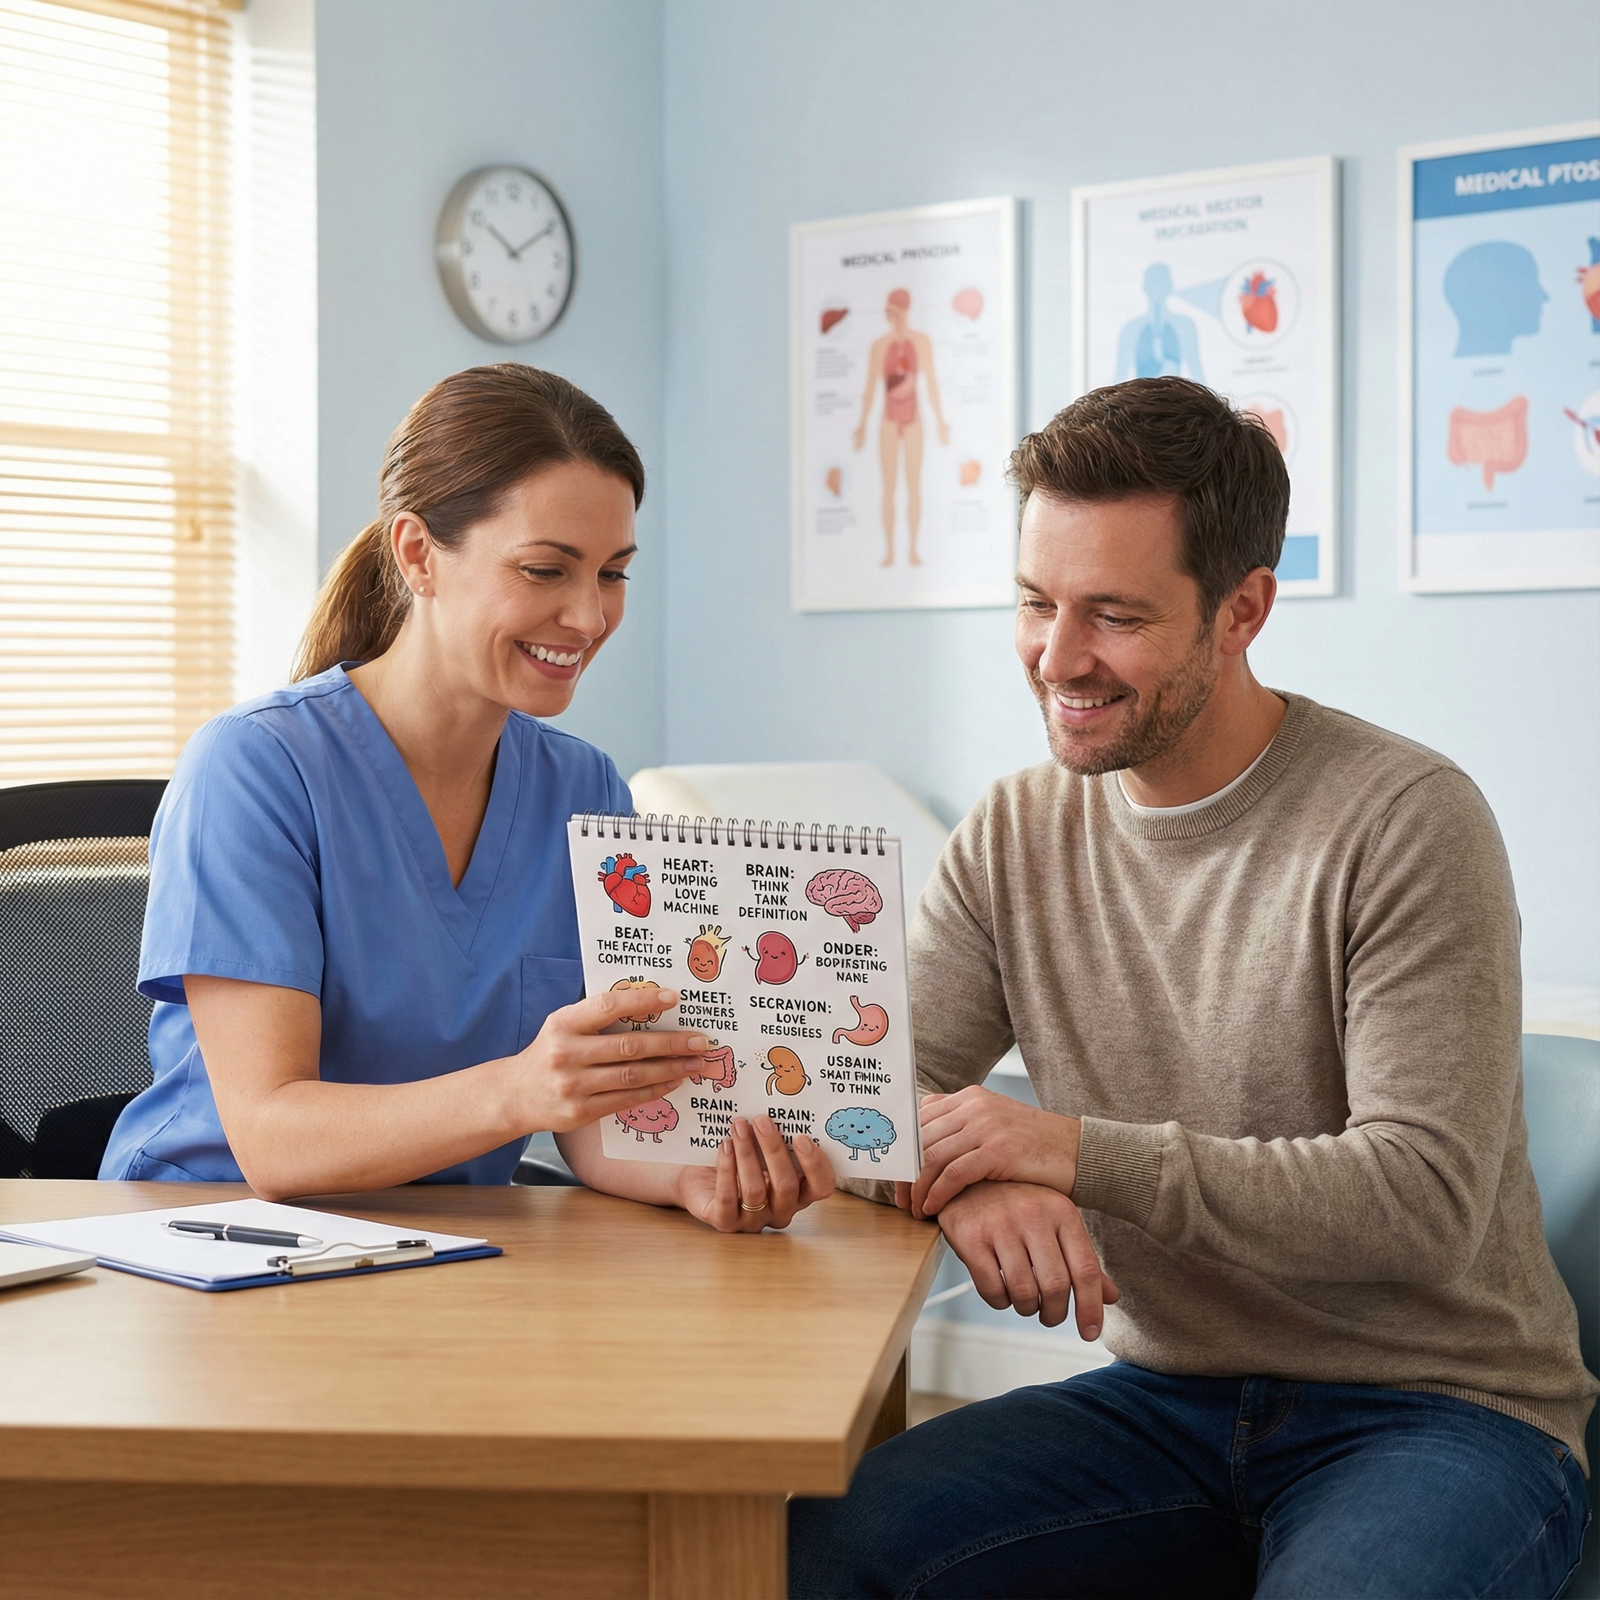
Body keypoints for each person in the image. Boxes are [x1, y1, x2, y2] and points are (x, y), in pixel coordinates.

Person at [791, 376, 1596, 1598]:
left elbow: (1417, 1197)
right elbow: (864, 1087)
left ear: (1242, 610)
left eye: (1111, 614)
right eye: (1033, 602)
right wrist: (954, 1186)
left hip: (1441, 1410)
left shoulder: (1403, 820)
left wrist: (1066, 1150)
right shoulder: (1012, 834)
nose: (1057, 657)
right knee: (810, 1548)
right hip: (1166, 1400)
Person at [101, 364, 834, 1234]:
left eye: (612, 574)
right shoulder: (255, 768)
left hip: (448, 1243)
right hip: (211, 1241)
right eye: (544, 570)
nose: (589, 618)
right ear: (417, 554)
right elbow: (273, 1140)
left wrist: (684, 1180)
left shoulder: (586, 789)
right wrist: (522, 1089)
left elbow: (589, 1113)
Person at [852, 288, 951, 567]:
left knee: (913, 486)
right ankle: (890, 551)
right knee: (888, 487)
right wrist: (861, 424)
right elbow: (870, 387)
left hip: (913, 418)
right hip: (887, 419)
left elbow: (931, 382)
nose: (889, 314)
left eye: (893, 309)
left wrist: (940, 420)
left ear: (902, 310)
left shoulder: (921, 342)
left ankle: (913, 549)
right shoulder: (879, 346)